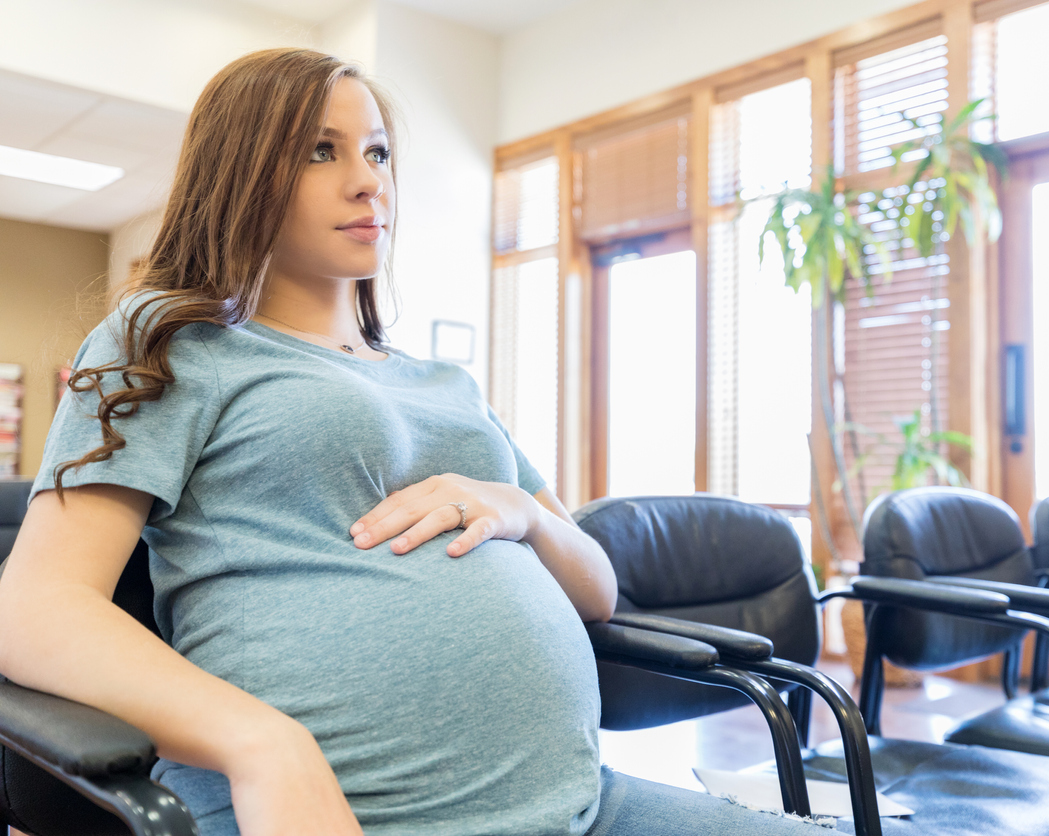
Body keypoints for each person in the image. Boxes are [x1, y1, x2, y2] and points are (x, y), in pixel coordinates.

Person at [0, 48, 828, 836]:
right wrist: (261, 744)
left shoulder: (449, 385)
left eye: (379, 152)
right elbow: (33, 609)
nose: (369, 182)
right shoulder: (169, 341)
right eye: (321, 152)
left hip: (580, 803)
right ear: (240, 172)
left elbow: (599, 591)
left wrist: (522, 514)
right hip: (350, 809)